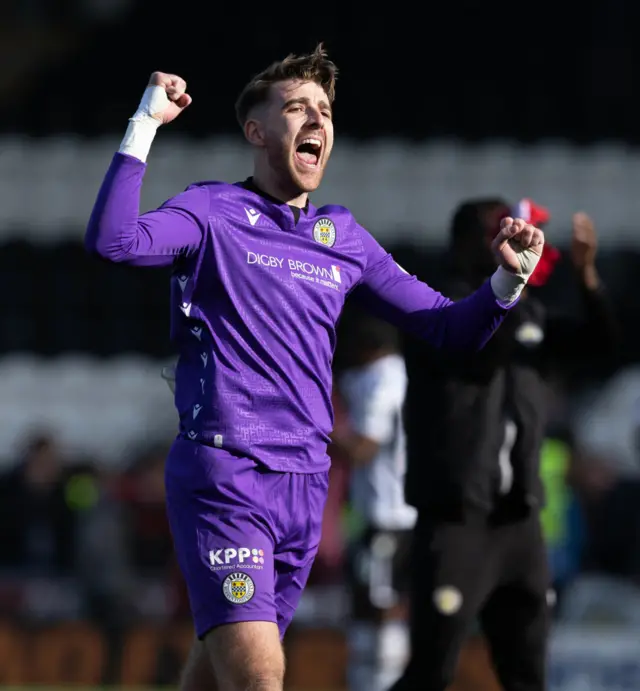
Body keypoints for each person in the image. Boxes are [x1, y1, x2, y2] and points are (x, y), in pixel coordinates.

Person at [85, 45, 545, 691]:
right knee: (260, 676)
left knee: (219, 675)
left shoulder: (343, 237)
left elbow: (450, 328)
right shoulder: (212, 210)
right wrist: (145, 125)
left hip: (306, 486)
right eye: (297, 108)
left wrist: (505, 280)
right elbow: (115, 241)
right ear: (256, 130)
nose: (316, 121)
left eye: (324, 111)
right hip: (229, 472)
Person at [393, 198, 619, 691]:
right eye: (496, 230)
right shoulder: (434, 307)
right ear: (463, 243)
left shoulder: (529, 309)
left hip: (519, 523)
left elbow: (601, 345)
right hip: (457, 520)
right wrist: (508, 287)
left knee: (527, 676)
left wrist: (585, 276)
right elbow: (479, 353)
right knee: (431, 673)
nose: (512, 236)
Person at [330, 313, 415, 691]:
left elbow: (364, 447)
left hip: (389, 515)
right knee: (366, 603)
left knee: (384, 607)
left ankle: (383, 683)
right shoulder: (378, 376)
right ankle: (368, 680)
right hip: (380, 513)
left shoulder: (385, 382)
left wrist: (315, 430)